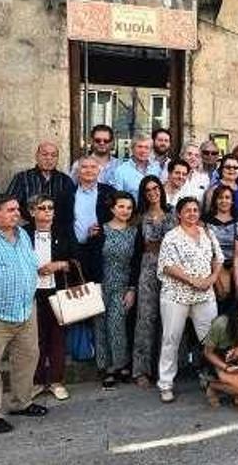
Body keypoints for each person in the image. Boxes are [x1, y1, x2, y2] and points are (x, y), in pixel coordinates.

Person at [0, 194, 47, 433]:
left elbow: (29, 265)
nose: (18, 213)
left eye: (17, 209)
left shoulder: (22, 234)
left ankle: (21, 402)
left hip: (25, 310)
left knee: (27, 359)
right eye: (11, 210)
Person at [156, 197, 223, 403]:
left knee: (210, 339)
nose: (192, 213)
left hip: (204, 295)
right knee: (171, 339)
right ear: (179, 214)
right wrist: (193, 280)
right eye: (187, 210)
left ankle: (211, 376)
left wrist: (211, 279)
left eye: (195, 210)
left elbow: (218, 258)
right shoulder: (171, 237)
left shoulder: (207, 233)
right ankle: (166, 384)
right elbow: (167, 265)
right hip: (176, 295)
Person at [24, 194, 75, 401]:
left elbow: (76, 259)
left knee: (57, 338)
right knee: (34, 339)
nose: (47, 211)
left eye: (50, 208)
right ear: (32, 212)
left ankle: (56, 381)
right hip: (31, 292)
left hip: (57, 291)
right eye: (42, 208)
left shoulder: (63, 231)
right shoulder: (23, 233)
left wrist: (59, 265)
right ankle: (36, 382)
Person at [131, 175, 178, 388]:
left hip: (171, 271)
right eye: (148, 190)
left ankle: (165, 369)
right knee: (145, 319)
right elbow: (135, 251)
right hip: (148, 270)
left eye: (155, 188)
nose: (152, 192)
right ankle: (141, 370)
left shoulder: (173, 214)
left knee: (168, 321)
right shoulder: (139, 218)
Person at [96, 191, 141, 389]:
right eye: (121, 206)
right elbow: (92, 259)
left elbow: (136, 263)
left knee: (117, 325)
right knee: (100, 326)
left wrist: (132, 289)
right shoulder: (100, 230)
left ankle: (120, 364)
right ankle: (105, 368)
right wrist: (95, 284)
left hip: (123, 285)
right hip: (101, 284)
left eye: (129, 207)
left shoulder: (135, 232)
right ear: (113, 208)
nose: (125, 211)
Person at [61, 156, 116, 284]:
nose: (89, 170)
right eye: (84, 167)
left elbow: (117, 219)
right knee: (78, 295)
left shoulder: (109, 193)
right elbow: (62, 224)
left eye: (93, 167)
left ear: (99, 171)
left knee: (99, 292)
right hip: (75, 252)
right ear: (77, 171)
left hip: (101, 251)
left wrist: (101, 230)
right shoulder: (66, 194)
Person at [7, 141, 75, 225]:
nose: (49, 158)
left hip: (58, 231)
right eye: (44, 154)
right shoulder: (22, 178)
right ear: (37, 156)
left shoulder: (65, 180)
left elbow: (71, 210)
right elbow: (9, 205)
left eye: (53, 155)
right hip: (29, 229)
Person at [203, 185, 238, 310]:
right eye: (220, 197)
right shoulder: (205, 221)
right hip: (213, 267)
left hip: (236, 268)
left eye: (228, 197)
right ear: (215, 200)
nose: (224, 201)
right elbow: (206, 251)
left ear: (232, 201)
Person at [204, 154, 238, 219]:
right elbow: (207, 213)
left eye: (235, 167)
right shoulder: (214, 189)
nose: (232, 170)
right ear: (221, 169)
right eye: (228, 167)